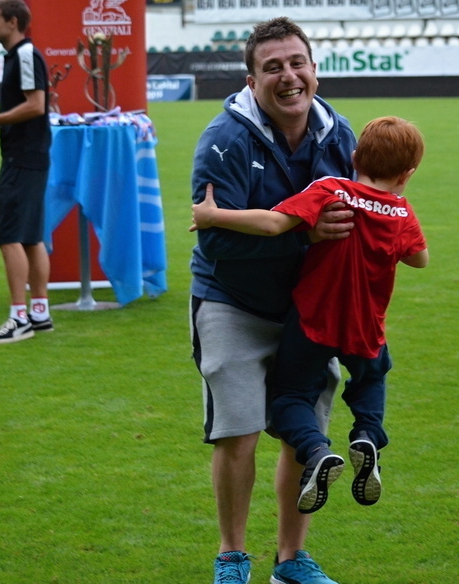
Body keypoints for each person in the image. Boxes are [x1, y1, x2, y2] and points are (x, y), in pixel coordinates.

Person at [189, 16, 357, 584]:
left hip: (309, 309)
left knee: (304, 433)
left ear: (314, 69)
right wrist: (303, 235)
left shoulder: (339, 135)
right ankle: (232, 558)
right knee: (237, 432)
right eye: (273, 67)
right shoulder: (225, 139)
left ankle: (291, 559)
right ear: (252, 80)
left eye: (297, 63)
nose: (288, 77)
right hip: (231, 300)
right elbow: (215, 242)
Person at [191, 116, 428, 516]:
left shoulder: (332, 190)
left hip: (314, 322)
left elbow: (272, 225)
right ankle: (368, 435)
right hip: (365, 325)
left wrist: (214, 217)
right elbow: (420, 259)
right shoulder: (401, 213)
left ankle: (315, 449)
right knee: (372, 377)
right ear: (408, 174)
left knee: (291, 394)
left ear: (355, 158)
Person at [0, 0, 53, 344]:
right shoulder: (18, 56)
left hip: (22, 159)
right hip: (29, 156)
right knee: (30, 236)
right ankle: (40, 313)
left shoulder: (25, 54)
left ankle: (19, 318)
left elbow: (36, 105)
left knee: (9, 236)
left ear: (13, 22)